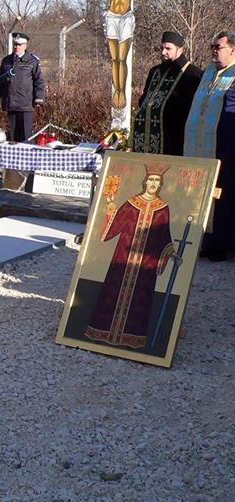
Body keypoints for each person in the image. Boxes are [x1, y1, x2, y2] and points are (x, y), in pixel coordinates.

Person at [69, 0, 177, 109]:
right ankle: (117, 91)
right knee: (114, 59)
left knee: (122, 58)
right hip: (112, 17)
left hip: (126, 18)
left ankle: (123, 91)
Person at [85, 163, 175, 349]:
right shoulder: (131, 204)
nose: (153, 183)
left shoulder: (163, 208)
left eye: (157, 180)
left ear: (160, 184)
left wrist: (170, 252)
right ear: (145, 182)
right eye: (151, 179)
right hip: (123, 258)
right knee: (113, 291)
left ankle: (131, 339)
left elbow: (164, 236)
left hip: (145, 265)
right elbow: (114, 228)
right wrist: (110, 208)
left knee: (140, 298)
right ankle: (102, 332)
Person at [184, 30, 235, 261]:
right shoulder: (209, 73)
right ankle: (202, 238)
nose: (214, 51)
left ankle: (222, 244)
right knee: (201, 190)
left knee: (224, 194)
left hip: (226, 145)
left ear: (233, 50)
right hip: (202, 144)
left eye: (218, 47)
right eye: (212, 47)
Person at [131, 31, 202, 156]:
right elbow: (145, 98)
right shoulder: (155, 71)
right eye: (162, 48)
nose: (163, 52)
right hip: (147, 135)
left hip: (174, 139)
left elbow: (192, 108)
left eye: (168, 49)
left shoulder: (193, 74)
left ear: (180, 50)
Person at [0, 33, 45, 143]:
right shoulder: (7, 61)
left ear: (25, 46)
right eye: (15, 44)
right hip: (10, 104)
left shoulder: (32, 61)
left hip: (26, 104)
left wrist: (39, 98)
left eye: (20, 45)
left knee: (25, 137)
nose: (17, 47)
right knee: (12, 138)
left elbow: (39, 81)